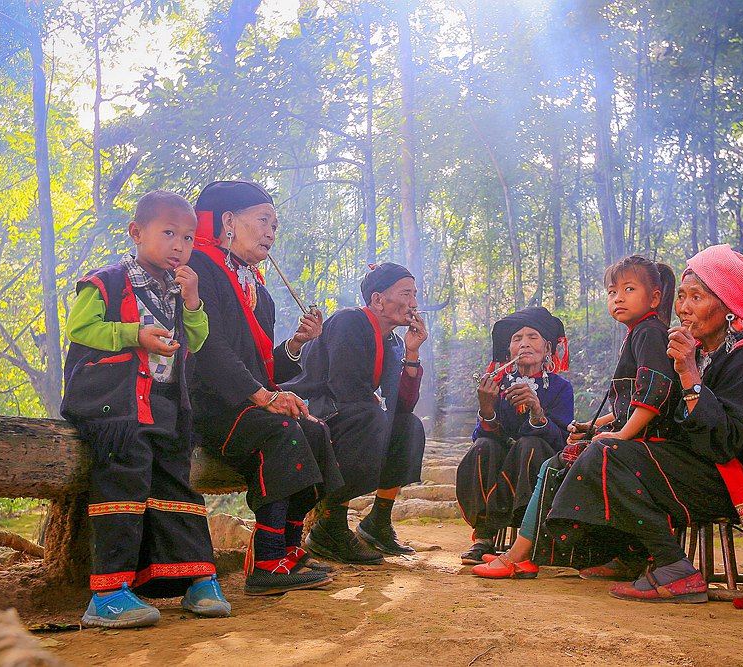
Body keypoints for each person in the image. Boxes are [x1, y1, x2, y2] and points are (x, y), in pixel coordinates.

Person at [545, 245, 743, 617]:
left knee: (609, 456)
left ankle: (673, 566)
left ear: (727, 308)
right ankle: (631, 556)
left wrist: (690, 376)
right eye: (682, 297)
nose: (684, 308)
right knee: (603, 451)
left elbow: (725, 443)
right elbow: (680, 425)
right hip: (708, 471)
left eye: (698, 297)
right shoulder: (705, 353)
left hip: (741, 484)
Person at [62, 190, 229, 629]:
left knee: (177, 483)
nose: (180, 245)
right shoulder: (106, 281)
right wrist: (135, 334)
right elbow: (81, 328)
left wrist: (193, 302)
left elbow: (199, 340)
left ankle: (197, 579)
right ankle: (108, 592)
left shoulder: (177, 290)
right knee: (124, 479)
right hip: (113, 408)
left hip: (163, 406)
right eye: (169, 233)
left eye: (189, 238)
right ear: (137, 232)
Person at [470, 256, 679, 579]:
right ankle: (490, 535)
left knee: (551, 461)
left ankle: (522, 553)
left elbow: (654, 394)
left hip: (645, 442)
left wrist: (617, 434)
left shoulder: (647, 334)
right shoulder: (641, 333)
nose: (618, 298)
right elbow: (634, 402)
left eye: (628, 289)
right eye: (612, 292)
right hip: (513, 461)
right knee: (486, 449)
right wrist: (599, 425)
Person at [188, 180, 343, 596]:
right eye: (263, 220)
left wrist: (295, 344)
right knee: (283, 431)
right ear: (228, 222)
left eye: (275, 223)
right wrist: (265, 398)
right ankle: (267, 559)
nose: (272, 231)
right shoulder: (198, 268)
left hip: (245, 402)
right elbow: (209, 348)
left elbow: (261, 366)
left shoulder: (259, 291)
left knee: (314, 429)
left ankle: (289, 550)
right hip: (209, 404)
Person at [287, 263, 428, 564]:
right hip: (311, 408)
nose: (414, 303)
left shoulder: (391, 341)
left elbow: (402, 404)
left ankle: (377, 521)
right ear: (378, 300)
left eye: (415, 295)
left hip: (350, 410)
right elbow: (343, 388)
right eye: (406, 294)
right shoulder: (349, 321)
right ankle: (331, 525)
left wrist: (412, 353)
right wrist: (374, 406)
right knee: (368, 416)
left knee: (408, 425)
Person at [455, 307, 574, 565]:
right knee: (482, 447)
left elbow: (562, 442)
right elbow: (484, 436)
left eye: (532, 337)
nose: (524, 344)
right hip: (502, 462)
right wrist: (487, 407)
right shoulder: (497, 384)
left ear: (547, 348)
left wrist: (537, 410)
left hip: (536, 463)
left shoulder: (560, 388)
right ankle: (483, 537)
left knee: (529, 445)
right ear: (509, 351)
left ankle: (526, 537)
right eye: (517, 339)